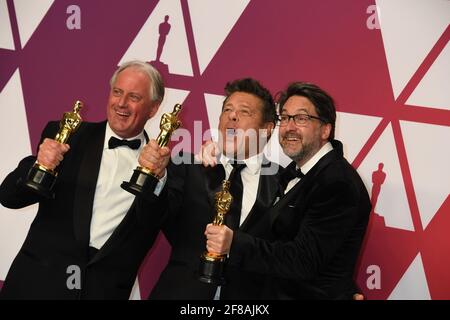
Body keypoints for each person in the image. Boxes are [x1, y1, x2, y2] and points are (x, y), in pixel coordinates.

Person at [0, 60, 169, 299]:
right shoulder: (68, 137)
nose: (121, 103)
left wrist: (159, 179)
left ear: (153, 108)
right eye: (117, 92)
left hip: (102, 292)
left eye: (134, 97)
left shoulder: (166, 169)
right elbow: (9, 197)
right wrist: (40, 164)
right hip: (37, 285)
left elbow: (156, 223)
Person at [205, 82, 371, 299]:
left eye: (301, 118)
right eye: (285, 118)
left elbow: (304, 260)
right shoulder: (293, 173)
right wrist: (221, 152)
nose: (290, 127)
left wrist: (234, 243)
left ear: (326, 130)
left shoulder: (337, 182)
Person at [146, 78, 280, 299]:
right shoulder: (189, 167)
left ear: (266, 129)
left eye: (244, 112)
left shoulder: (281, 182)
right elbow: (151, 216)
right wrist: (155, 177)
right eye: (227, 109)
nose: (232, 116)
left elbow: (290, 254)